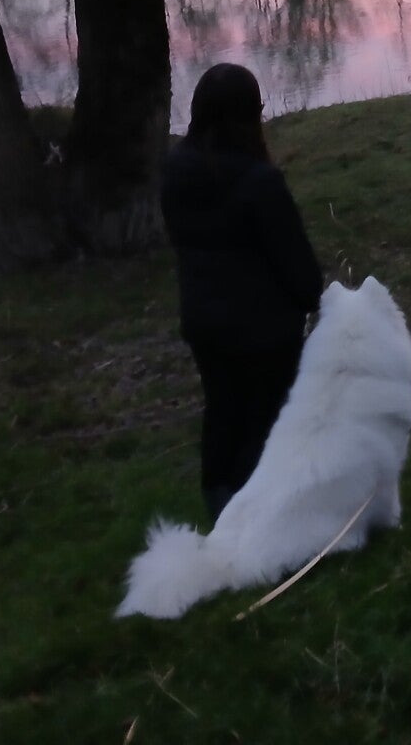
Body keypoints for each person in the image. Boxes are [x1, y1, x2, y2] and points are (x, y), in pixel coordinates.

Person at [160, 63, 325, 524]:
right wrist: (311, 298)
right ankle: (259, 518)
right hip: (264, 330)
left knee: (222, 410)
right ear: (251, 115)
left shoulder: (174, 170)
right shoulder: (259, 182)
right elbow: (298, 268)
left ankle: (220, 504)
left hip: (204, 323)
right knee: (263, 419)